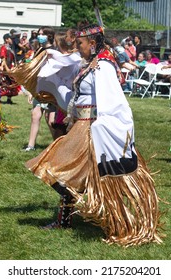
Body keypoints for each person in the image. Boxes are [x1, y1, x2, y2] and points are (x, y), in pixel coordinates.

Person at [19, 23, 163, 247]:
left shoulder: (103, 66)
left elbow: (114, 103)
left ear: (93, 43)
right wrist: (54, 86)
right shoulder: (89, 64)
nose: (77, 47)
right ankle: (69, 218)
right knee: (64, 173)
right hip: (80, 127)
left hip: (93, 130)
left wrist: (103, 127)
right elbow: (78, 98)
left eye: (81, 43)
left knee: (61, 170)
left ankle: (113, 220)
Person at [0, 33, 20, 104]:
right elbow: (3, 59)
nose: (12, 40)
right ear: (6, 39)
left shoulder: (10, 48)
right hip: (4, 69)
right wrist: (6, 69)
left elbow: (13, 59)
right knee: (3, 84)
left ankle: (9, 99)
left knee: (12, 84)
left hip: (10, 68)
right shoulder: (3, 47)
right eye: (11, 39)